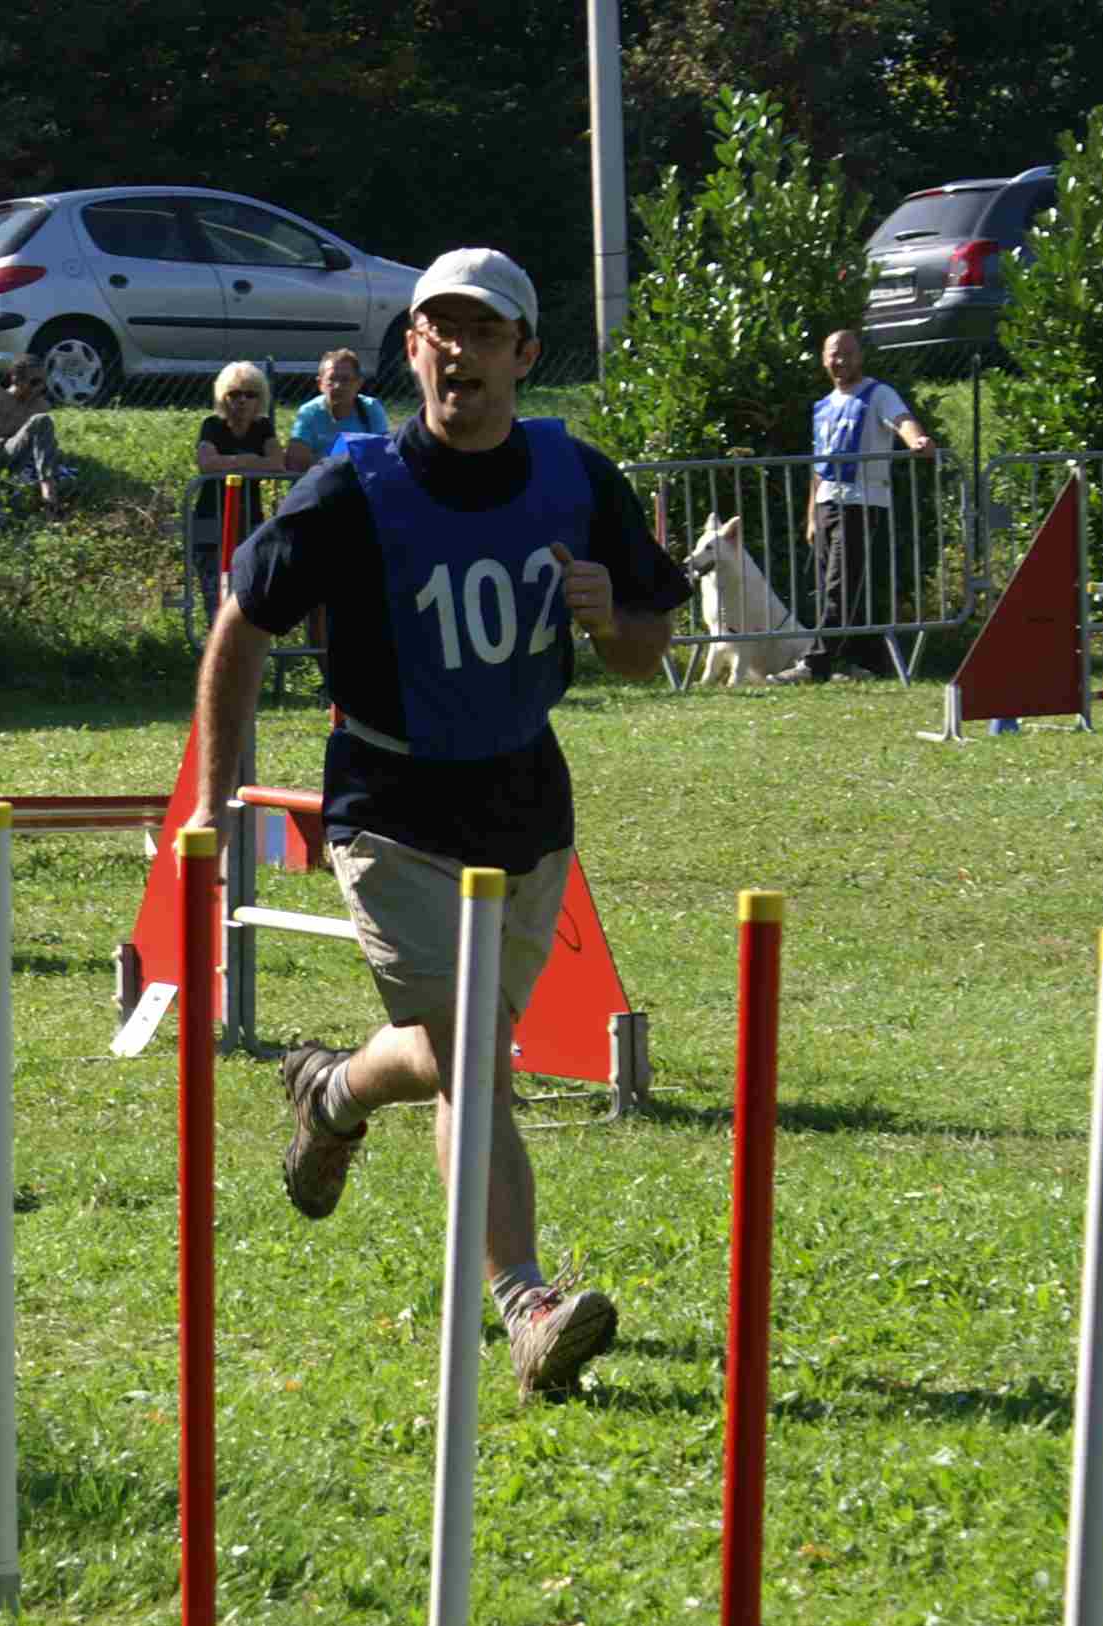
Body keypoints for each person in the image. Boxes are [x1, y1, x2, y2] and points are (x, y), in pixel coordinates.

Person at [185, 248, 689, 1400]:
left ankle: (332, 1092)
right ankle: (524, 1302)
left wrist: (610, 622)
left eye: (481, 332)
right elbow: (241, 621)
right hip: (389, 804)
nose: (456, 350)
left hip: (522, 803)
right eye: (436, 330)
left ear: (523, 353)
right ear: (409, 350)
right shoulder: (349, 489)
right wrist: (213, 803)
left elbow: (645, 644)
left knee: (458, 1052)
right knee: (471, 1053)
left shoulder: (574, 476)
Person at [772, 329, 933, 684]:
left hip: (862, 504)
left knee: (840, 587)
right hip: (827, 504)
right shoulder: (824, 406)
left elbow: (902, 420)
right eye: (833, 354)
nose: (840, 360)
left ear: (860, 357)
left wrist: (917, 440)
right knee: (842, 589)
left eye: (847, 353)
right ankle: (865, 663)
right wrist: (811, 516)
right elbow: (819, 465)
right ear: (823, 359)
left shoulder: (878, 394)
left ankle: (815, 665)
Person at [190, 360, 288, 626]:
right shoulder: (212, 425)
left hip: (249, 519)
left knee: (247, 590)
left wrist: (229, 462)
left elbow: (277, 463)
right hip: (211, 518)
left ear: (260, 398)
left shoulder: (263, 427)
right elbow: (207, 463)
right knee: (215, 594)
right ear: (223, 397)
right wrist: (249, 460)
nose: (242, 401)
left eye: (250, 394)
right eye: (234, 394)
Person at [0, 357, 66, 510]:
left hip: (10, 452)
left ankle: (48, 493)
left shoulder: (40, 405)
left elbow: (31, 435)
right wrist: (20, 427)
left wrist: (5, 426)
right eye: (35, 382)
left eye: (44, 383)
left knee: (42, 420)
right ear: (16, 379)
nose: (40, 388)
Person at [286, 347, 389, 471]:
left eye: (345, 380)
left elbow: (383, 455)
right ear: (320, 384)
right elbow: (296, 461)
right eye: (332, 379)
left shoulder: (371, 408)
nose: (338, 386)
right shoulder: (308, 412)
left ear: (359, 383)